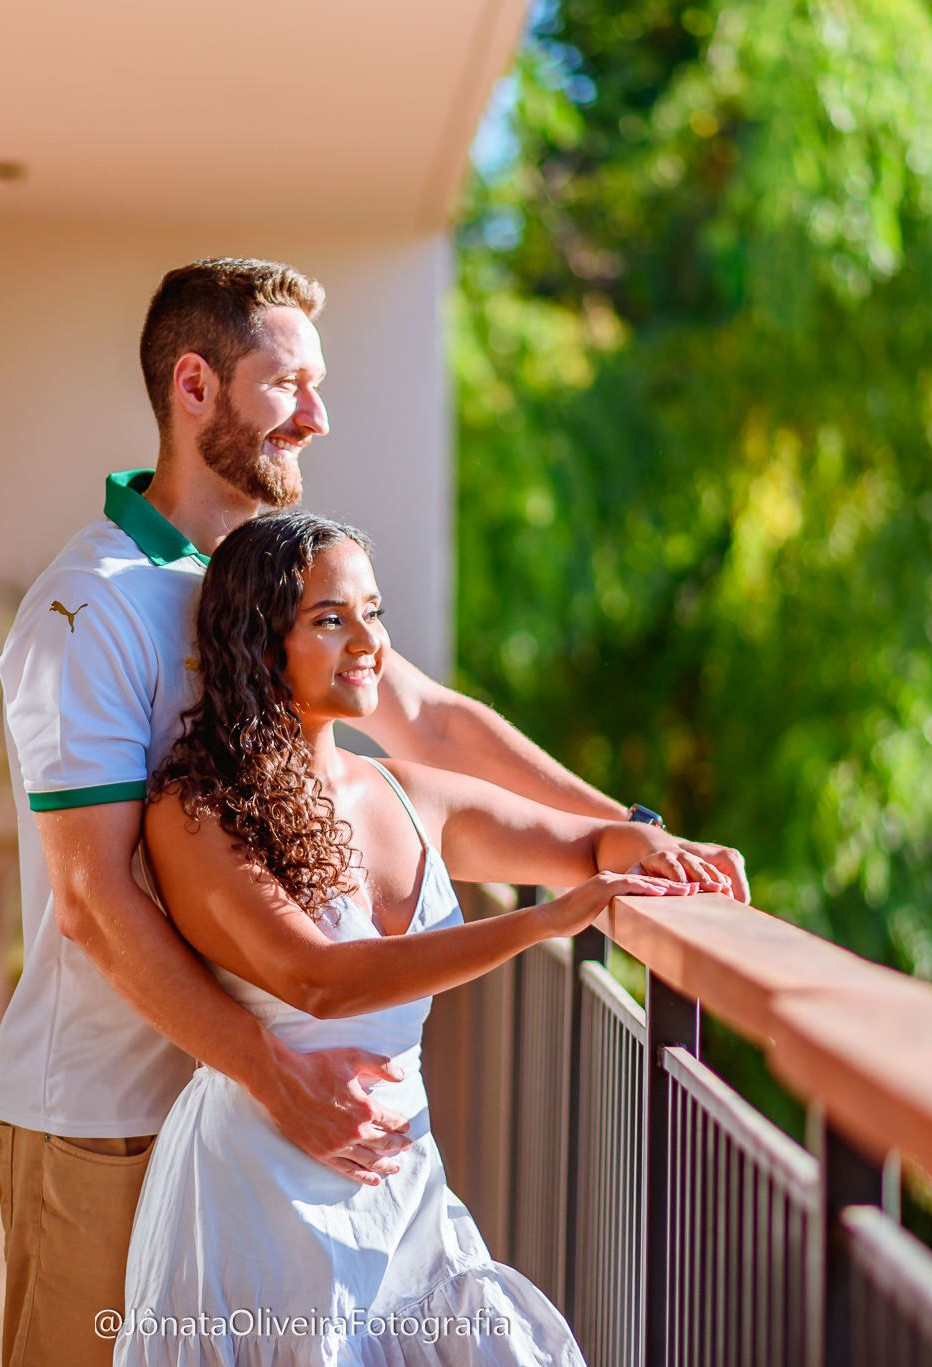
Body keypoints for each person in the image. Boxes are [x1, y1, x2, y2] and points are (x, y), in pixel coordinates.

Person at [0, 258, 747, 1367]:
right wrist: (264, 1065)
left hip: (274, 1114)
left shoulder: (267, 582)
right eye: (287, 384)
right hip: (110, 1116)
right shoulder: (86, 606)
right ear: (193, 386)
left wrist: (626, 824)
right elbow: (94, 897)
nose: (318, 414)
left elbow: (428, 722)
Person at [118, 512, 679, 1364]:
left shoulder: (409, 792)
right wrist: (535, 923)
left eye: (373, 613)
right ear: (259, 642)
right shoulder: (196, 810)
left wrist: (658, 842)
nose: (368, 641)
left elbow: (585, 844)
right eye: (330, 619)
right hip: (260, 1200)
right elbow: (318, 980)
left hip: (402, 1188)